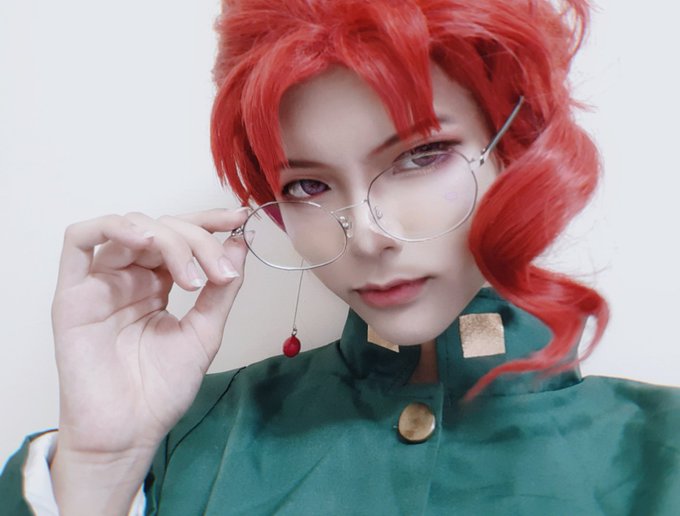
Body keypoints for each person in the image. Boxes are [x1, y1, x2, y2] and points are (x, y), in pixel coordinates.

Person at [1, 0, 679, 514]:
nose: (367, 237)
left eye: (423, 156)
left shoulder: (661, 451)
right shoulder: (189, 437)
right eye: (308, 185)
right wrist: (101, 463)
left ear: (517, 148)